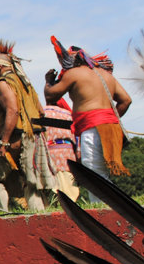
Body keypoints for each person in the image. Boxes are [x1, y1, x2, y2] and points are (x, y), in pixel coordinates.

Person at [44, 38, 132, 181]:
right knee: (100, 170)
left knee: (93, 170)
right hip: (111, 128)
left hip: (93, 127)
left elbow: (51, 95)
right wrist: (110, 119)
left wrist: (48, 81)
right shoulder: (104, 74)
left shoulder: (73, 73)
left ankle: (103, 203)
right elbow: (126, 100)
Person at [0, 41, 58, 212]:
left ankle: (0, 217)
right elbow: (40, 112)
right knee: (31, 180)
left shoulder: (4, 84)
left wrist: (4, 142)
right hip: (33, 136)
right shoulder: (26, 84)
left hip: (14, 138)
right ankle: (39, 216)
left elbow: (13, 110)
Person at [41, 92, 80, 202]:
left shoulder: (41, 113)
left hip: (47, 153)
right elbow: (77, 137)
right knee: (69, 189)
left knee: (50, 188)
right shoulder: (69, 115)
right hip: (67, 154)